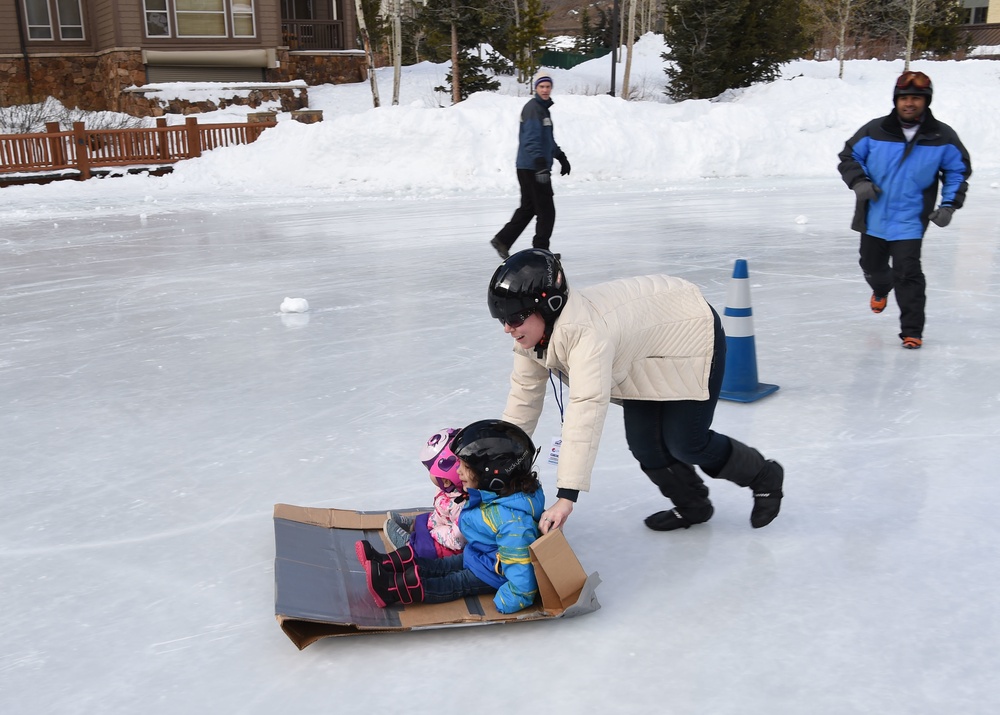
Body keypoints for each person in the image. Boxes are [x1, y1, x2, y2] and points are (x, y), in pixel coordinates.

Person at [487, 248, 784, 534]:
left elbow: (586, 409)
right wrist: (496, 463)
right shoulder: (532, 339)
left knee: (686, 442)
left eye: (515, 319)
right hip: (643, 350)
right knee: (645, 444)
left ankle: (764, 475)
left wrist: (567, 496)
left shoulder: (588, 335)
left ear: (548, 305)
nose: (507, 329)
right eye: (503, 320)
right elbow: (523, 400)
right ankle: (693, 505)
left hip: (690, 331)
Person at [837, 70, 971, 350]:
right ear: (896, 101)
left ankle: (912, 331)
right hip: (873, 215)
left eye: (916, 98)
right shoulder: (875, 130)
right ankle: (880, 288)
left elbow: (957, 171)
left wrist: (949, 206)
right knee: (871, 266)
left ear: (927, 101)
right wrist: (859, 182)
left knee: (908, 273)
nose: (910, 103)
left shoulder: (942, 136)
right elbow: (849, 156)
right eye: (905, 98)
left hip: (910, 220)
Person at [356, 419, 545, 614]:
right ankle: (387, 566)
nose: (458, 471)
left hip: (490, 573)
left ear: (492, 475)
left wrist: (509, 600)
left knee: (451, 582)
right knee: (441, 565)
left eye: (464, 467)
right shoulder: (498, 494)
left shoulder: (514, 523)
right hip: (480, 555)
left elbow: (522, 577)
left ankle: (391, 589)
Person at [490, 70, 571, 260]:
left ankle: (503, 240)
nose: (545, 90)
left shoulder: (542, 109)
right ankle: (541, 250)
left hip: (529, 166)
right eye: (541, 86)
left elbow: (546, 140)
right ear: (535, 88)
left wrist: (560, 156)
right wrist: (540, 163)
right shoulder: (533, 108)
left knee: (528, 208)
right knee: (546, 210)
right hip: (533, 167)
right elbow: (531, 139)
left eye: (548, 86)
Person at [383, 427, 467, 558]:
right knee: (425, 518)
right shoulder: (448, 488)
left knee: (430, 548)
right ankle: (414, 525)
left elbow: (457, 540)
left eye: (431, 471)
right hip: (441, 521)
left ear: (445, 480)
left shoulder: (460, 506)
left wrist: (435, 532)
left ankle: (410, 547)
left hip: (451, 543)